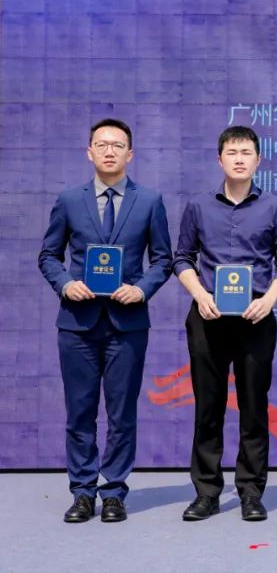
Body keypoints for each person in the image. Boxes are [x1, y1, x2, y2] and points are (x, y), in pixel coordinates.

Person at [39, 118, 173, 523]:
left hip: (127, 324)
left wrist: (142, 289)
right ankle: (82, 492)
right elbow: (48, 256)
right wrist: (66, 284)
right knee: (80, 412)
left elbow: (163, 259)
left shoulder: (149, 201)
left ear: (130, 154)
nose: (109, 151)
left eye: (117, 145)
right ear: (89, 152)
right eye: (102, 144)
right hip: (77, 324)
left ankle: (114, 491)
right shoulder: (69, 200)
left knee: (121, 413)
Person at [174, 126, 277, 522]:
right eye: (232, 152)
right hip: (208, 317)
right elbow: (182, 257)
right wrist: (200, 294)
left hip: (255, 318)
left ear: (258, 160)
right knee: (208, 408)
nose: (239, 159)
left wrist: (269, 300)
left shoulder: (274, 208)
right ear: (220, 159)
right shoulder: (198, 206)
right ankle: (206, 492)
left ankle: (251, 492)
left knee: (253, 408)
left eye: (246, 152)